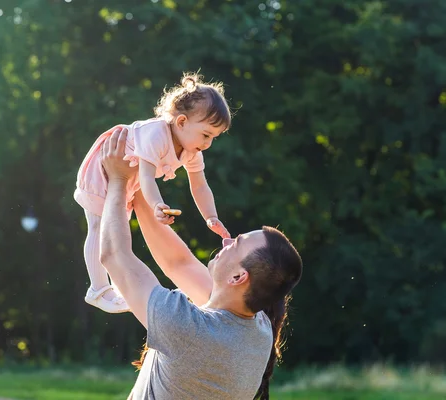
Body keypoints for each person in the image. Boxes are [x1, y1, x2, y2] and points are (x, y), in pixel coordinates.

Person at [98, 128, 303, 400]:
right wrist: (139, 193)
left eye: (237, 243)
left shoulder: (190, 330)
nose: (227, 242)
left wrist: (118, 179)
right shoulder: (255, 330)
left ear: (238, 277)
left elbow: (114, 255)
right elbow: (178, 263)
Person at [74, 73, 232, 314]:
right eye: (206, 135)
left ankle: (115, 288)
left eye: (214, 138)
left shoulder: (192, 150)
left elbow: (199, 185)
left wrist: (211, 216)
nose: (208, 143)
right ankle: (97, 288)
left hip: (126, 178)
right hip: (104, 167)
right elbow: (146, 177)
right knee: (98, 226)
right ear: (181, 122)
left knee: (117, 229)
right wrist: (157, 204)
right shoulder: (156, 134)